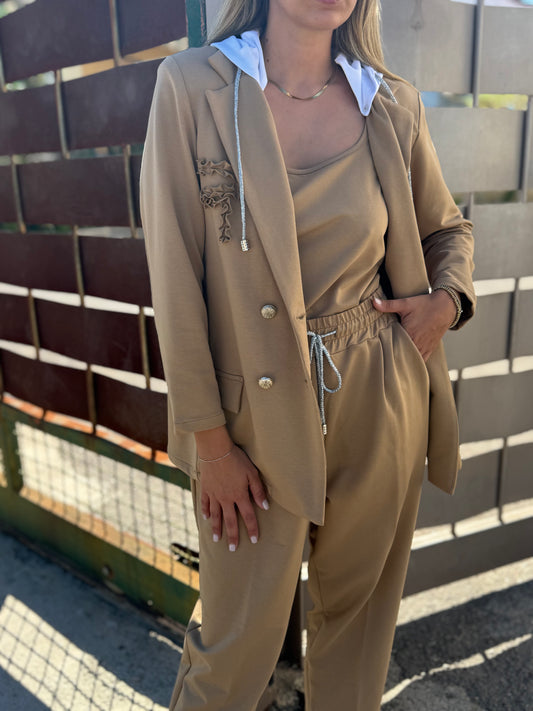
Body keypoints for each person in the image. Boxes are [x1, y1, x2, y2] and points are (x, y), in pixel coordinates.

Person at [139, 0, 476, 709]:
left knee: (357, 639)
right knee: (231, 654)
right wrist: (211, 446)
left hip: (379, 396)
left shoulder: (390, 103)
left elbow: (448, 231)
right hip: (248, 425)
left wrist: (445, 302)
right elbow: (174, 278)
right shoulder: (192, 87)